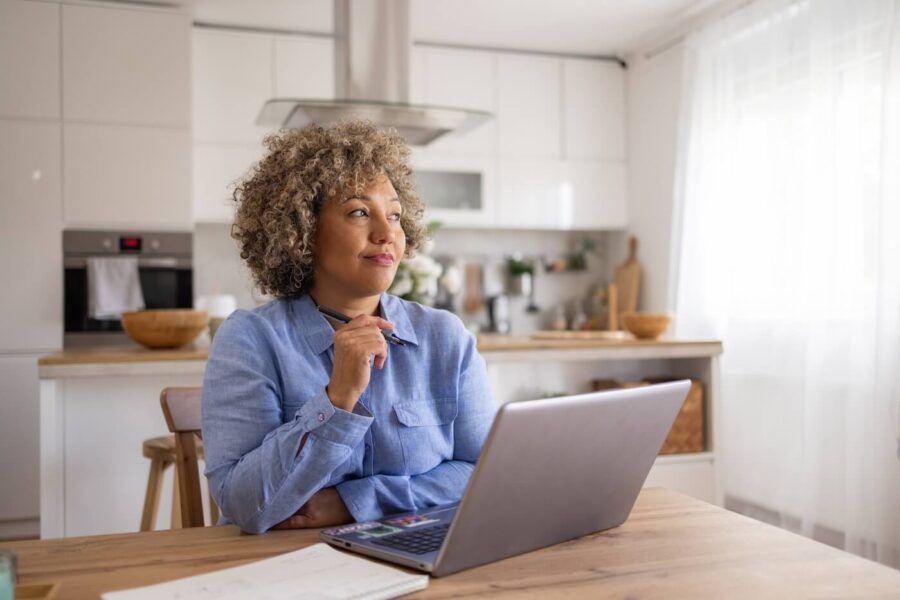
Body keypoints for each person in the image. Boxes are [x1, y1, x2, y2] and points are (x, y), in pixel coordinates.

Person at [202, 119, 496, 534]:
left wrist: (356, 503)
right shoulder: (250, 341)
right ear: (302, 229)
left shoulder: (445, 337)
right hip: (287, 570)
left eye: (394, 215)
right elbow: (245, 505)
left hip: (427, 556)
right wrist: (337, 399)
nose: (386, 233)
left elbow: (486, 475)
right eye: (359, 212)